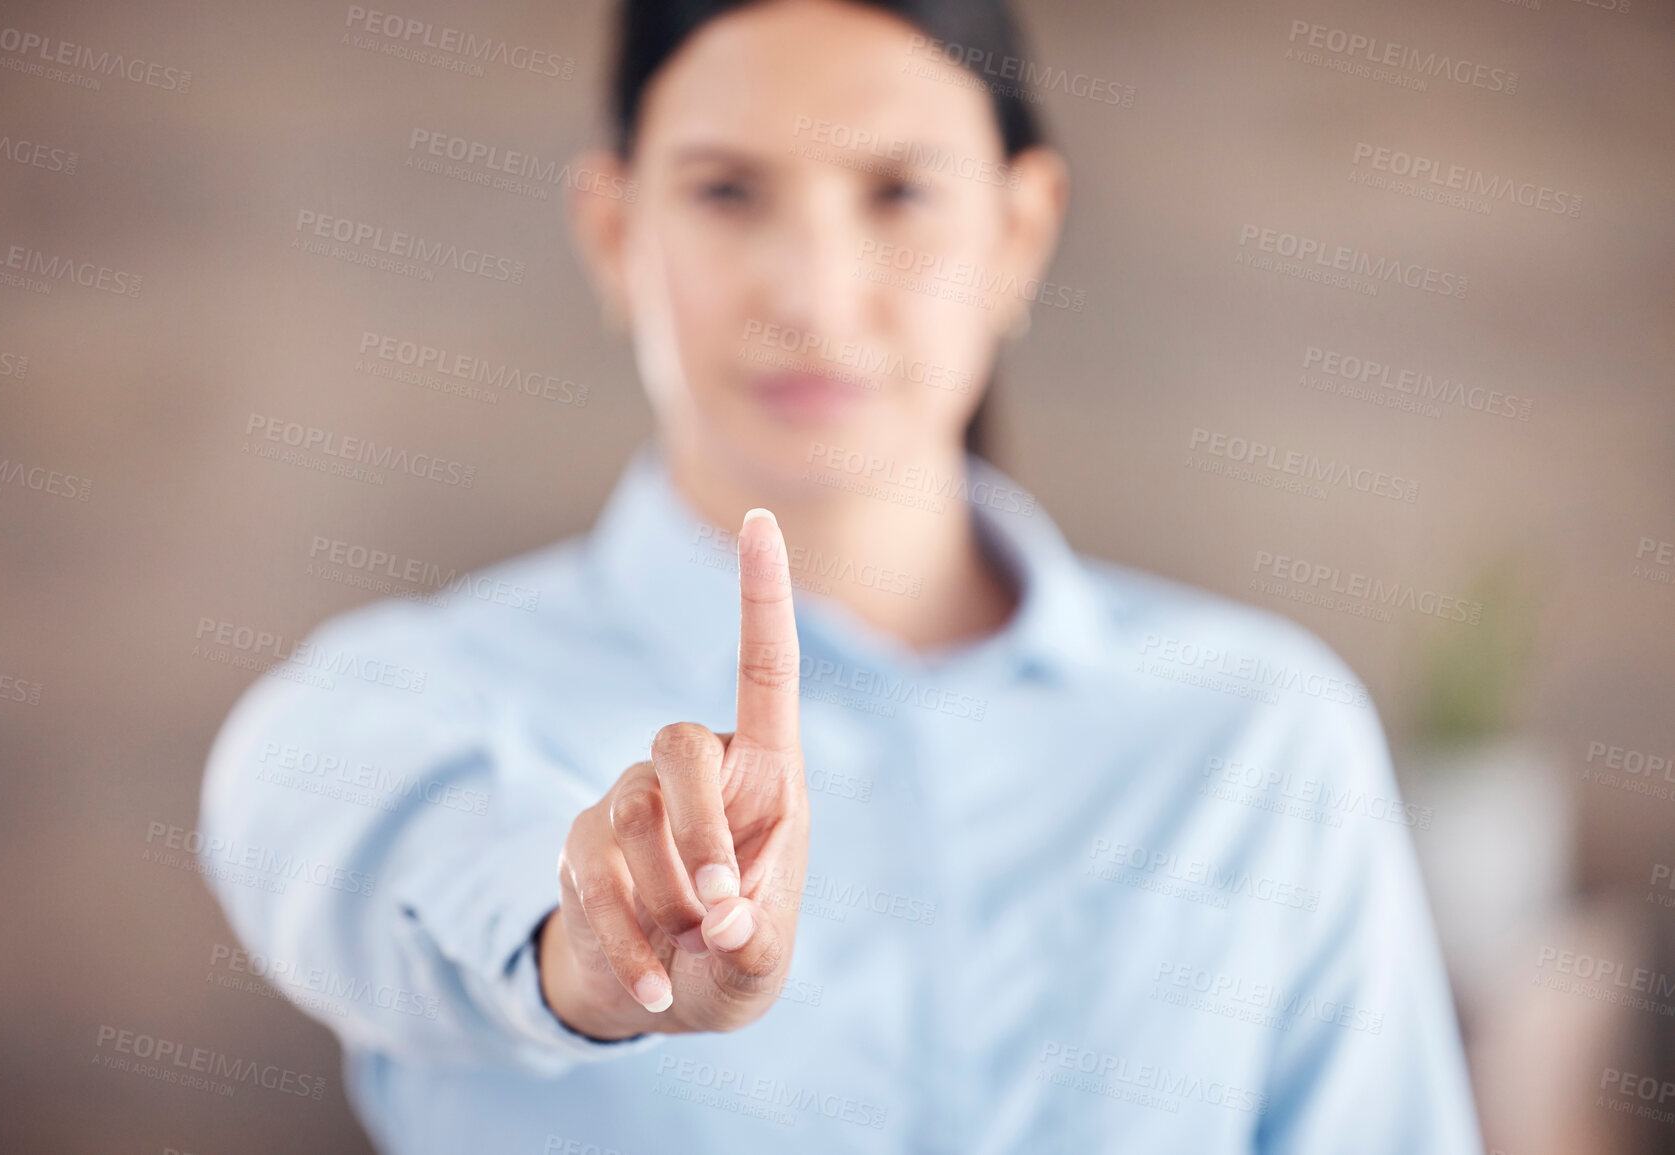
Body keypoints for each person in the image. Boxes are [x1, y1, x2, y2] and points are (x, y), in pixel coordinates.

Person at [199, 0, 1485, 1149]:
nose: (815, 293)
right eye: (726, 192)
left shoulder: (1260, 738)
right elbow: (345, 850)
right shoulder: (397, 705)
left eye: (898, 193)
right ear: (611, 229)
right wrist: (586, 958)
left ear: (1022, 229)